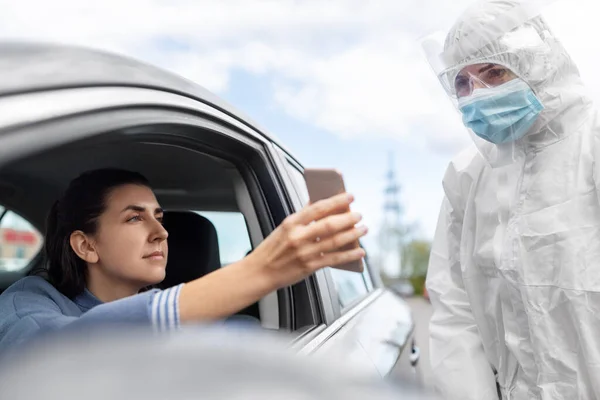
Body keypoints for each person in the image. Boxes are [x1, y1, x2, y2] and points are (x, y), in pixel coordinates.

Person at [425, 0, 600, 399]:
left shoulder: (592, 139)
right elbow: (455, 310)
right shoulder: (468, 175)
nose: (477, 95)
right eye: (462, 83)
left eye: (494, 72)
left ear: (538, 62)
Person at [0, 168, 367, 352]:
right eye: (134, 217)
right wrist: (262, 269)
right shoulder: (30, 302)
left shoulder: (212, 325)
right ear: (86, 246)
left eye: (158, 217)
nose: (162, 232)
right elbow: (50, 353)